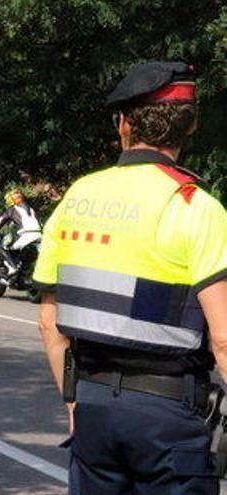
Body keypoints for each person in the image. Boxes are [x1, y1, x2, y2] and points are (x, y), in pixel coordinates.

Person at [32, 62, 227, 494]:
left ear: (122, 124)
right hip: (170, 418)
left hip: (94, 407)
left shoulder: (78, 195)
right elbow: (224, 337)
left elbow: (50, 322)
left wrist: (74, 400)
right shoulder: (196, 205)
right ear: (191, 125)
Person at [0, 190, 42, 276]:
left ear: (12, 200)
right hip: (39, 236)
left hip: (26, 236)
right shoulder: (31, 209)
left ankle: (12, 267)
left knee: (1, 248)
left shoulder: (12, 210)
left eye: (9, 199)